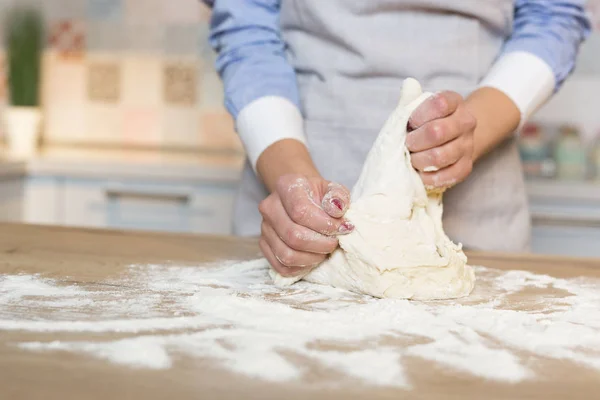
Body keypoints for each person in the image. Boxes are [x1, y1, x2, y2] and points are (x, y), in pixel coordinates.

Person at [204, 0, 590, 278]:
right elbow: (246, 23)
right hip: (292, 188)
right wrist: (292, 177)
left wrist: (472, 126)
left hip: (478, 209)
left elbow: (553, 15)